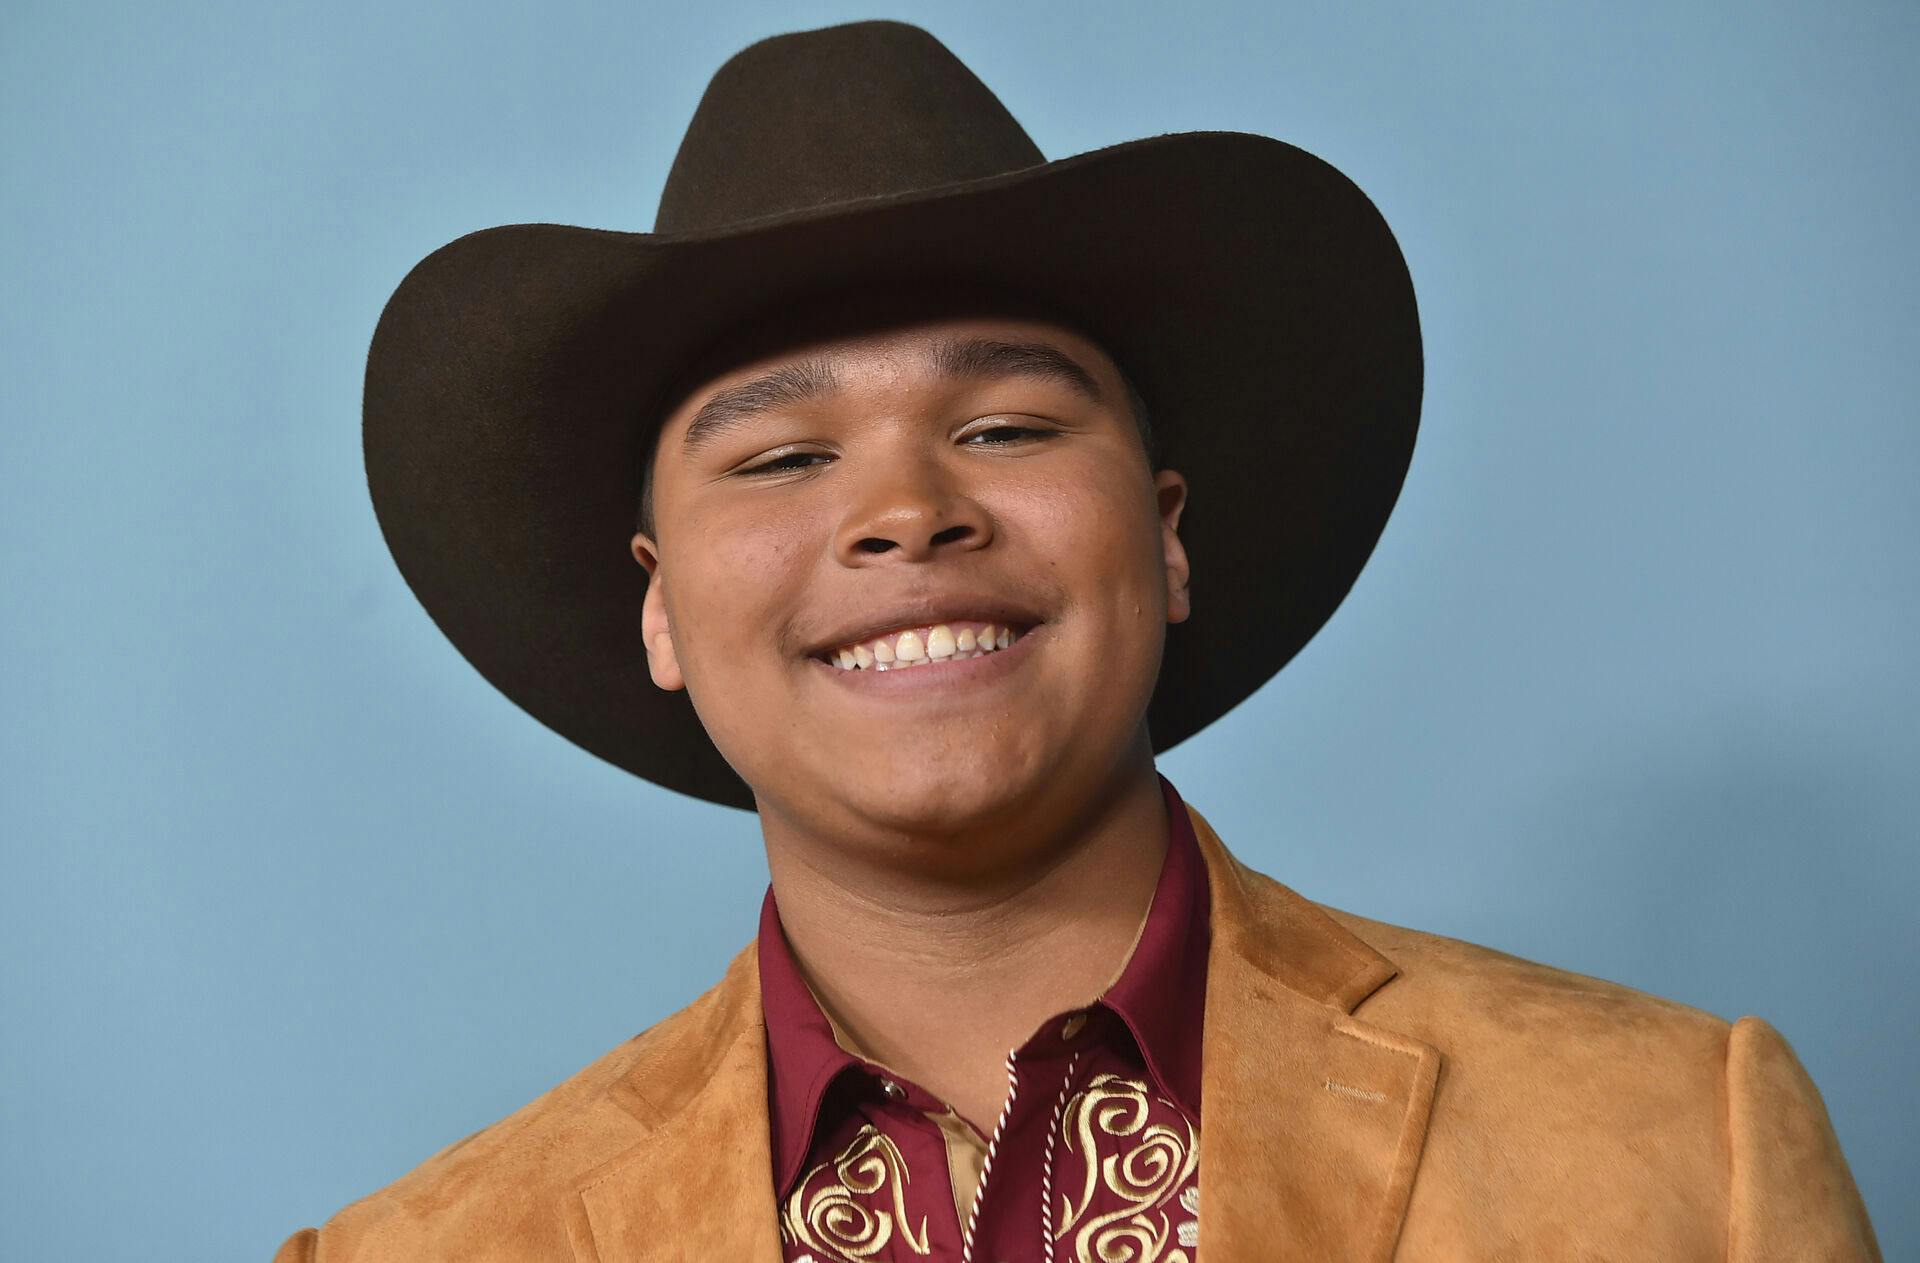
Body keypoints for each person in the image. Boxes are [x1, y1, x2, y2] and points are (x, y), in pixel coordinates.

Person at [275, 20, 1879, 1262]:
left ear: (1167, 536)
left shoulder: (1681, 1147)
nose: (905, 513)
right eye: (780, 459)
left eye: (1011, 425)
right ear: (657, 607)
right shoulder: (418, 1250)